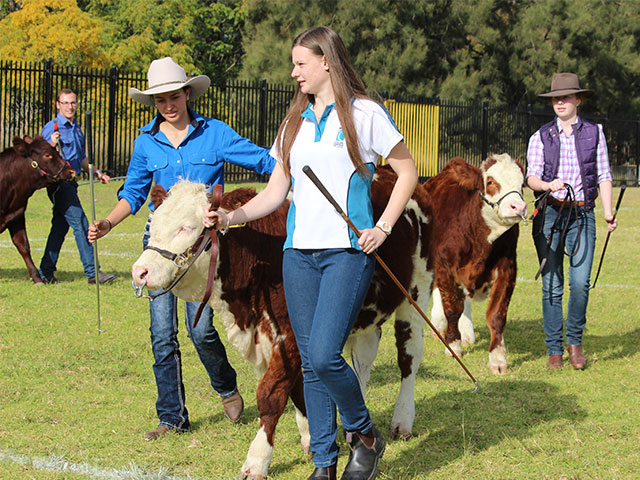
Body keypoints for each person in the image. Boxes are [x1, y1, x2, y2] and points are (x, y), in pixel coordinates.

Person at [204, 27, 418, 480]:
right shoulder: (293, 124)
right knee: (309, 362)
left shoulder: (366, 114)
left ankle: (364, 435)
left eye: (301, 63)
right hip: (298, 255)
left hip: (347, 252)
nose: (294, 71)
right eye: (294, 63)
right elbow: (276, 192)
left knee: (323, 354)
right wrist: (231, 216)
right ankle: (323, 464)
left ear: (327, 63)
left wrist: (382, 226)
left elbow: (407, 171)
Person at [87, 57, 276, 440]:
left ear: (187, 93)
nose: (168, 106)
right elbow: (134, 193)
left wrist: (295, 174)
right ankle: (171, 416)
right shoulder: (145, 142)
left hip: (200, 250)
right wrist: (108, 222)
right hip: (158, 246)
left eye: (174, 97)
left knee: (202, 330)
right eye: (160, 101)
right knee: (161, 333)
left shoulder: (215, 134)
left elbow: (263, 161)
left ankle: (225, 384)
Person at [526, 72, 618, 370]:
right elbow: (531, 177)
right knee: (552, 284)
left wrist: (607, 211)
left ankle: (574, 342)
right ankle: (554, 349)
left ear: (578, 99)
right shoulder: (540, 136)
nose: (560, 102)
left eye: (566, 97)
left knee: (580, 284)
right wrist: (546, 185)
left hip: (583, 214)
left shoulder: (595, 132)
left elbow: (603, 174)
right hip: (551, 214)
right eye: (556, 98)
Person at [39, 88, 118, 285]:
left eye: (73, 102)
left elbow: (81, 158)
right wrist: (51, 143)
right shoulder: (52, 127)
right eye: (65, 103)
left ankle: (45, 272)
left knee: (59, 227)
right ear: (58, 105)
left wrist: (97, 172)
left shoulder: (76, 128)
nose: (70, 107)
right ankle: (93, 273)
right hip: (59, 185)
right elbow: (42, 156)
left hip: (71, 184)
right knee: (81, 224)